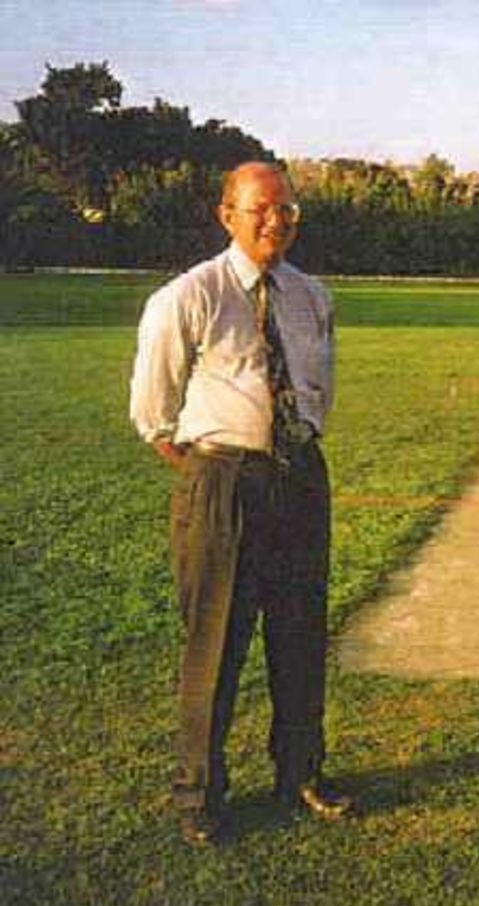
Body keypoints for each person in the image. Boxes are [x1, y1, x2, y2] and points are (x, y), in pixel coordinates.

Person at [129, 161, 353, 846]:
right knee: (216, 643)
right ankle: (199, 794)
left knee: (300, 634)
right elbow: (153, 414)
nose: (275, 221)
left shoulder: (312, 295)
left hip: (299, 482)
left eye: (286, 210)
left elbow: (320, 390)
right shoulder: (189, 297)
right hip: (223, 483)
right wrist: (220, 469)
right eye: (260, 208)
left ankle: (299, 772)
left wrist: (289, 457)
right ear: (227, 214)